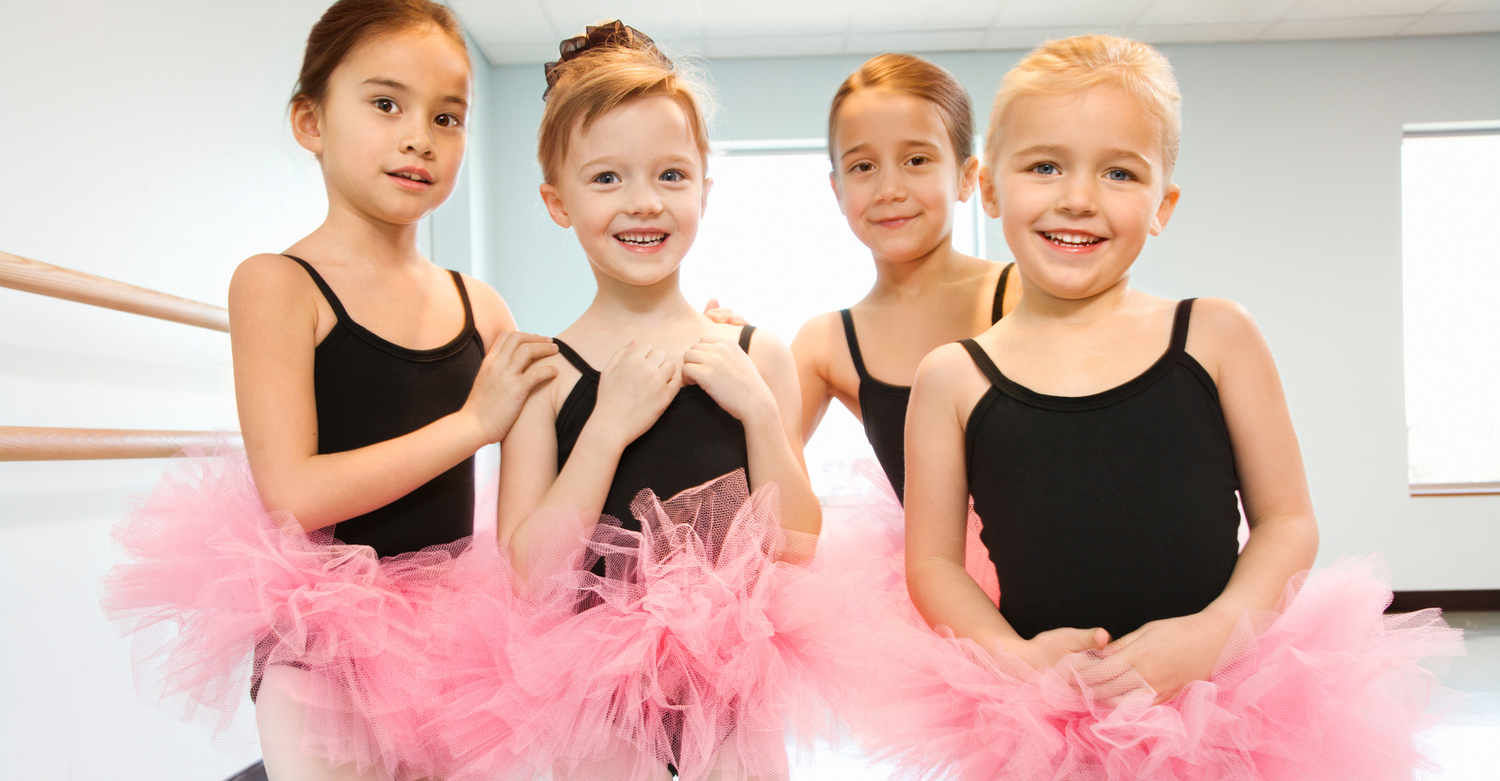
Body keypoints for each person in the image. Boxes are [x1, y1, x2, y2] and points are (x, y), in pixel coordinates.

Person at [855, 35, 1460, 780]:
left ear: (1163, 204)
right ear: (988, 188)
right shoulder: (951, 376)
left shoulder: (1216, 334)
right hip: (1046, 713)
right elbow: (935, 564)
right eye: (1045, 166)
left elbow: (1288, 520)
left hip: (1224, 699)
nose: (1078, 196)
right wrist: (1015, 657)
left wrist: (1211, 635)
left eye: (1118, 171)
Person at [101, 2, 556, 779]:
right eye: (386, 104)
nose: (419, 135)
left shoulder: (483, 307)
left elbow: (536, 490)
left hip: (455, 638)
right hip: (325, 641)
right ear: (310, 121)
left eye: (448, 117)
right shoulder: (278, 284)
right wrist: (472, 422)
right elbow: (294, 493)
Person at [420, 22, 823, 781]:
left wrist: (761, 412)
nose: (644, 203)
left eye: (671, 175)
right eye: (607, 179)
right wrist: (606, 426)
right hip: (597, 712)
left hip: (733, 703)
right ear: (557, 201)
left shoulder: (757, 353)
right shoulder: (546, 377)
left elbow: (799, 542)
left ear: (705, 187)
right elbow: (531, 576)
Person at [792, 53, 1020, 504]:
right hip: (917, 569)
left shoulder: (1023, 296)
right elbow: (752, 479)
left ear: (967, 177)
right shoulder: (826, 344)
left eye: (916, 160)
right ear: (837, 190)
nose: (889, 190)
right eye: (863, 166)